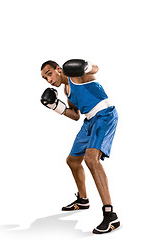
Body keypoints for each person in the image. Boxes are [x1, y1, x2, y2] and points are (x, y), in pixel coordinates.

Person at [40, 59, 120, 234]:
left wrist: (87, 66)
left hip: (104, 115)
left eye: (49, 73)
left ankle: (110, 216)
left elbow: (95, 70)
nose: (49, 79)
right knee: (73, 161)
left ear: (58, 69)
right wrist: (55, 107)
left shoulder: (74, 75)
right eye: (45, 78)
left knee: (91, 160)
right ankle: (83, 200)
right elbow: (75, 115)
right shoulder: (67, 91)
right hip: (89, 121)